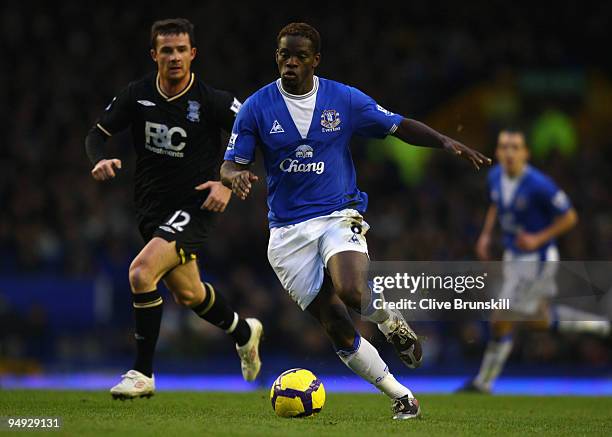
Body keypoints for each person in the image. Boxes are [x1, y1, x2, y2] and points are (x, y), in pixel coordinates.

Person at [220, 22, 490, 419]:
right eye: (283, 55)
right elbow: (229, 164)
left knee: (350, 289)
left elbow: (397, 125)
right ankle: (402, 397)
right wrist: (235, 176)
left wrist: (444, 141)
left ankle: (389, 321)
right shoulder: (256, 107)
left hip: (337, 213)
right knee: (336, 325)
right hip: (287, 233)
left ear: (315, 60)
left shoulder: (343, 99)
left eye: (299, 56)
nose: (289, 63)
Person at [85, 18, 262, 400]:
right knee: (190, 294)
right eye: (166, 50)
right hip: (152, 210)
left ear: (193, 54)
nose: (175, 57)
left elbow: (254, 131)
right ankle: (245, 333)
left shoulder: (212, 100)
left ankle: (142, 373)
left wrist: (227, 182)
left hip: (196, 205)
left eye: (182, 49)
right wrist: (98, 159)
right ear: (155, 55)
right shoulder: (137, 95)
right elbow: (96, 135)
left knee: (141, 273)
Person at [460, 128, 610, 393]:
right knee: (535, 320)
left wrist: (538, 238)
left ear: (526, 153)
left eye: (515, 147)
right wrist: (485, 235)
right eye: (504, 146)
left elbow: (570, 217)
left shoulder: (539, 184)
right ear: (497, 152)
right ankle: (596, 325)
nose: (509, 152)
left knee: (501, 318)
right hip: (513, 257)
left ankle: (484, 383)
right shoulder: (495, 176)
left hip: (537, 260)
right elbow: (496, 204)